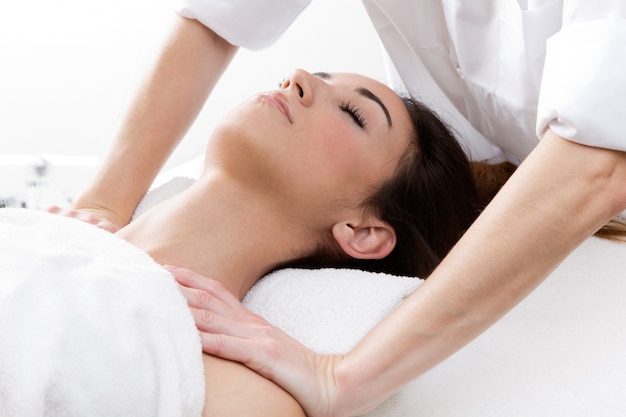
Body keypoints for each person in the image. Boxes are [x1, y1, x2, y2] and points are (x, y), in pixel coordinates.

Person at [59, 1, 626, 416]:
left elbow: (596, 162)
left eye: (355, 113)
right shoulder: (51, 246)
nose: (298, 75)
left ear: (363, 231)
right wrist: (100, 208)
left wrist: (346, 378)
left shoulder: (222, 384)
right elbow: (217, 15)